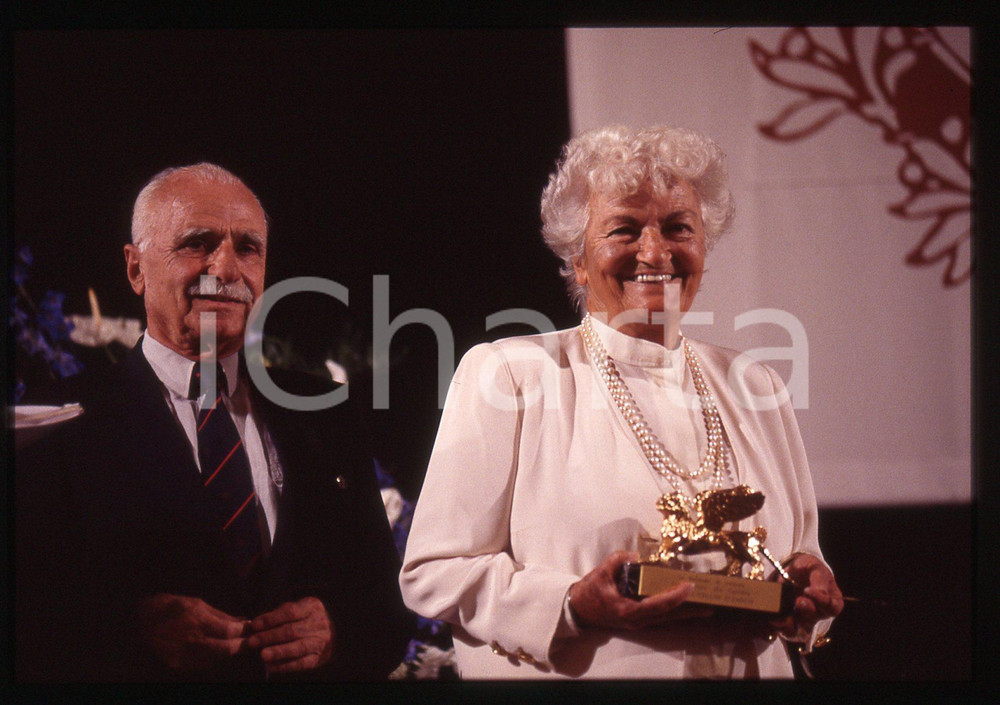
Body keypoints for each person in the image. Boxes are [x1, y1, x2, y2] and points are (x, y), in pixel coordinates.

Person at [399, 126, 843, 679]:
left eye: (679, 227)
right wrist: (570, 604)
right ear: (579, 261)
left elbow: (800, 557)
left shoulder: (756, 387)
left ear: (704, 246)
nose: (655, 251)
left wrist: (808, 591)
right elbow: (434, 571)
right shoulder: (510, 374)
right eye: (624, 230)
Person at [15, 163, 413, 681]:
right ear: (136, 270)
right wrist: (130, 631)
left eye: (248, 248)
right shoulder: (56, 425)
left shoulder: (325, 411)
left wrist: (339, 633)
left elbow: (388, 609)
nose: (226, 270)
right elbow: (27, 623)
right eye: (198, 243)